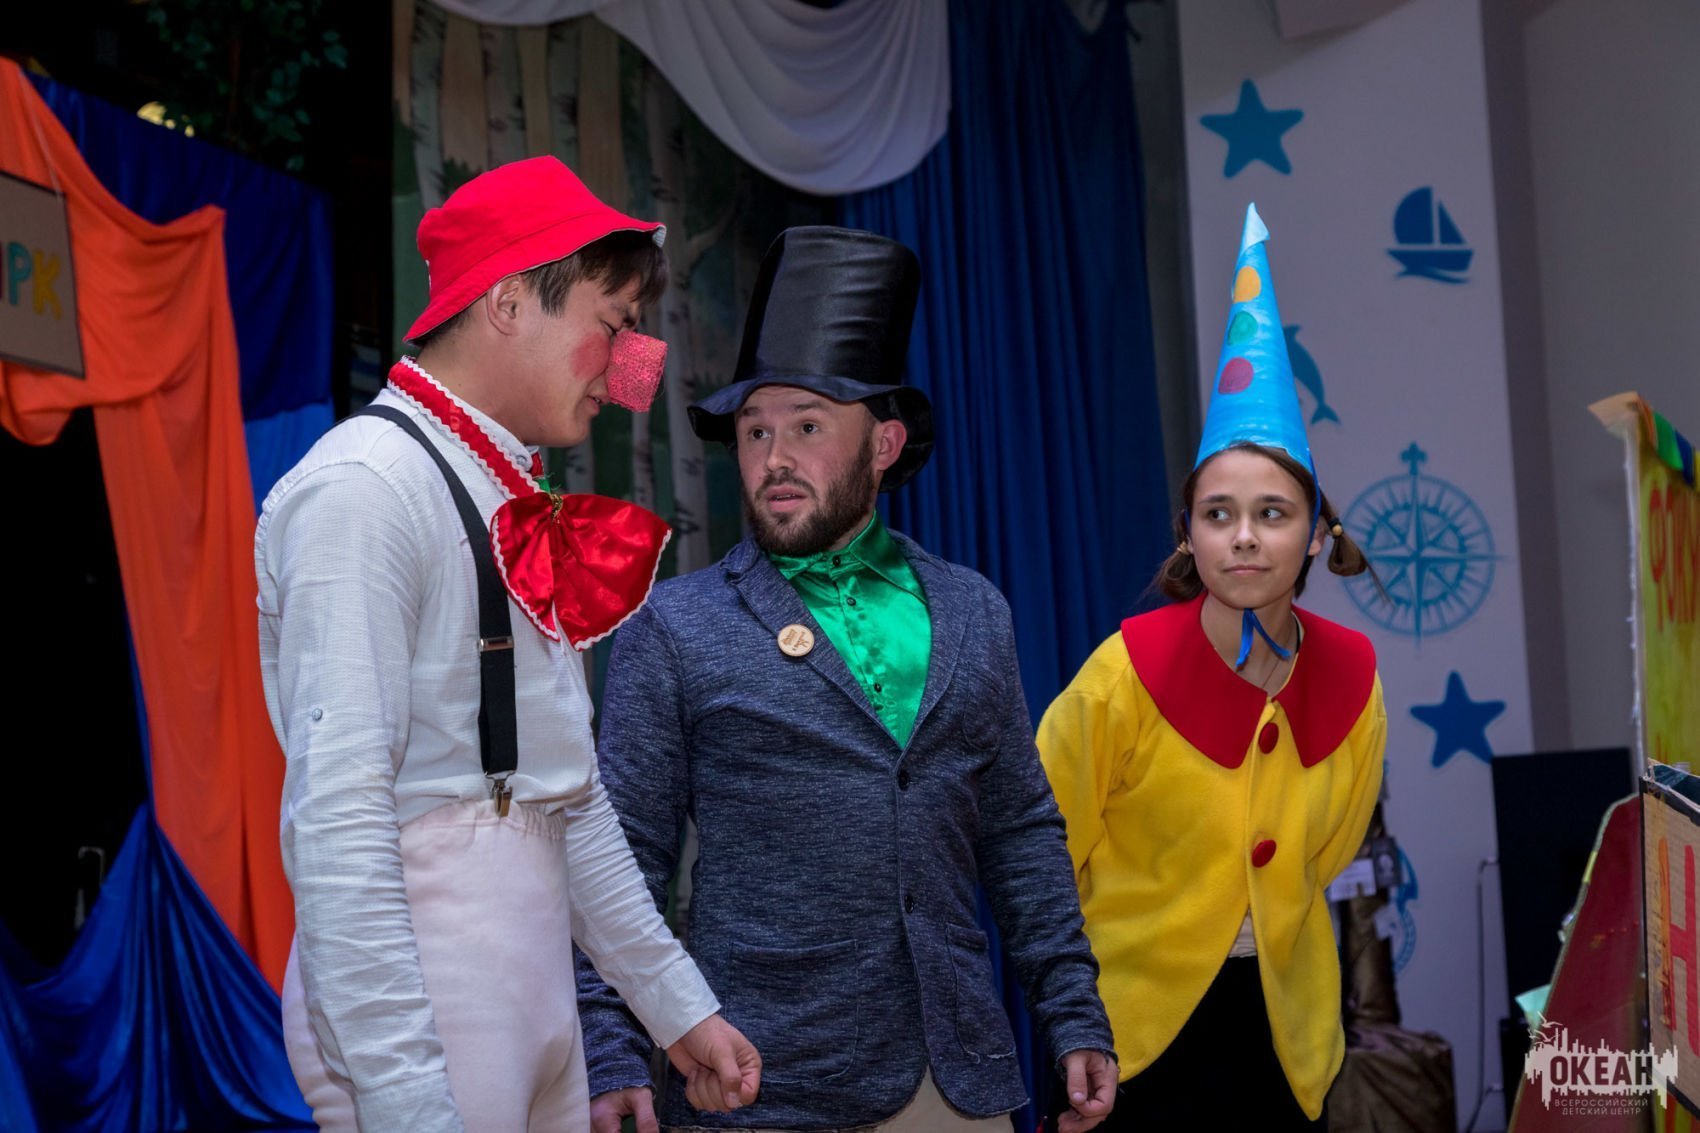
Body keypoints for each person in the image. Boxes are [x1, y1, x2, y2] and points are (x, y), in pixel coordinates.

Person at [575, 226, 1117, 1133]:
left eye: (808, 426)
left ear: (884, 443)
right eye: (755, 430)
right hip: (756, 1081)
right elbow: (620, 857)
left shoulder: (974, 612)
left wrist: (1072, 1010)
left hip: (957, 1082)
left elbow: (1020, 830)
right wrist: (611, 1044)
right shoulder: (676, 625)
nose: (773, 457)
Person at [256, 156, 759, 1133]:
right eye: (612, 325)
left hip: (532, 995)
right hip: (424, 996)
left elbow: (566, 796)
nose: (628, 368)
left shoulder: (509, 497)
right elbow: (338, 817)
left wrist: (677, 1007)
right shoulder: (365, 487)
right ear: (509, 302)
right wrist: (405, 1096)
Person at [1037, 204, 1386, 1131]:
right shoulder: (1123, 671)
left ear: (1316, 535)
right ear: (1187, 533)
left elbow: (1328, 850)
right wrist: (1071, 1019)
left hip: (1287, 1040)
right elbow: (1039, 852)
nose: (1244, 536)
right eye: (1219, 513)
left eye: (1273, 513)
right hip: (1129, 1040)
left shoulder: (1355, 677)